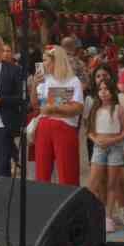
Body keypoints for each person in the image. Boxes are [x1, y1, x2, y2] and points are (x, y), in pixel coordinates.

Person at [32, 45, 84, 186]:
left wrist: (55, 108)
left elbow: (78, 107)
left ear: (56, 60)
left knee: (67, 171)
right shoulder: (45, 79)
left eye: (46, 60)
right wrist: (34, 85)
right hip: (43, 127)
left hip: (64, 127)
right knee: (42, 171)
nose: (43, 64)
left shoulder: (73, 81)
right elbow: (35, 105)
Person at [87, 77, 124, 233]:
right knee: (93, 183)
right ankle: (91, 214)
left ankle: (108, 217)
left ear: (112, 92)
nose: (103, 92)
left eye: (106, 89)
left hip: (115, 148)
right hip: (99, 147)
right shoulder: (95, 109)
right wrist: (96, 140)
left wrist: (112, 140)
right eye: (100, 89)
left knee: (112, 184)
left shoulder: (118, 109)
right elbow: (89, 131)